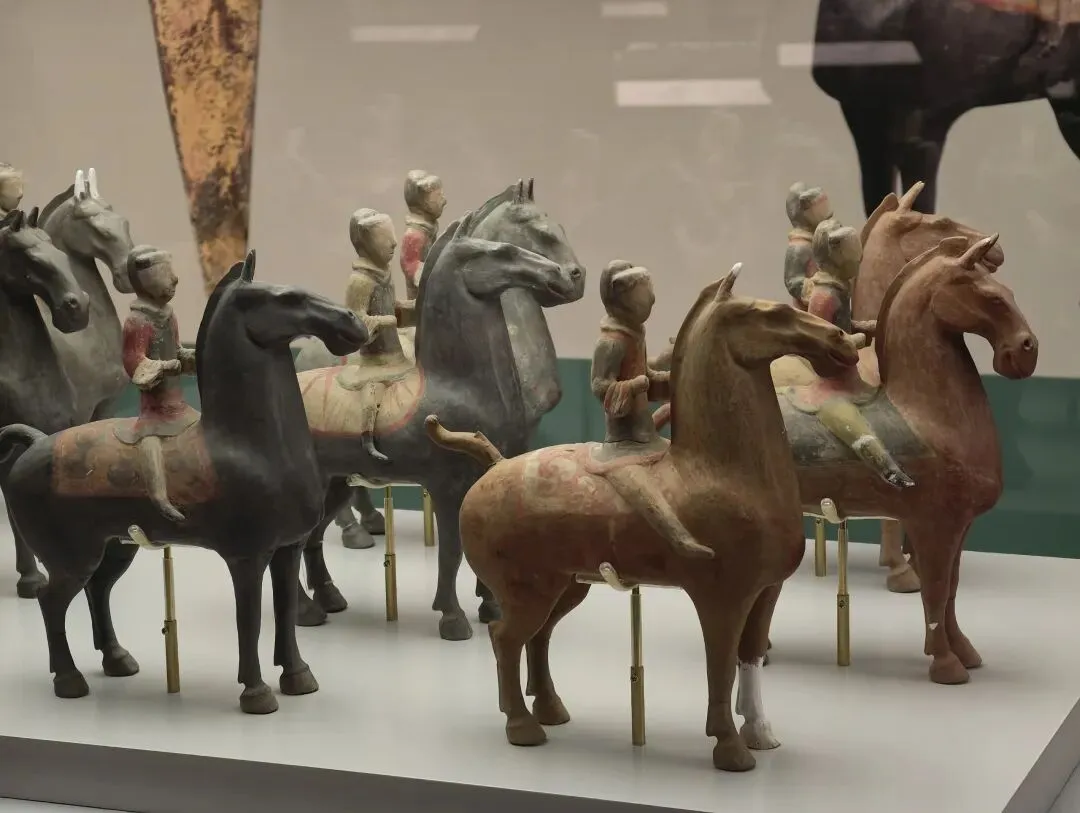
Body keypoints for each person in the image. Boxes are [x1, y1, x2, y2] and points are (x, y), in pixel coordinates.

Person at [590, 260, 713, 559]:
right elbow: (599, 386)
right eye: (645, 293)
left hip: (645, 433)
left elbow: (648, 378)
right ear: (622, 296)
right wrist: (633, 386)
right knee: (641, 490)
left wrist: (677, 379)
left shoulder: (635, 333)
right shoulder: (611, 342)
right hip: (622, 442)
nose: (653, 299)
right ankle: (678, 538)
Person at [796, 219, 915, 489]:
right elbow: (820, 343)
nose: (858, 263)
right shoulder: (824, 297)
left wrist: (864, 326)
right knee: (854, 426)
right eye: (854, 259)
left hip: (850, 375)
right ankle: (888, 470)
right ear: (838, 258)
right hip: (830, 384)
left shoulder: (837, 288)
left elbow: (840, 326)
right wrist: (856, 340)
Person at [115, 246, 198, 522]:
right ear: (145, 280)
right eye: (165, 273)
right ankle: (159, 498)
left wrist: (192, 358)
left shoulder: (168, 316)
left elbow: (176, 350)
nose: (174, 279)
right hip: (154, 413)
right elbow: (135, 364)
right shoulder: (137, 321)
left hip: (180, 407)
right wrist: (166, 366)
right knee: (151, 445)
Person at [343, 208, 413, 462]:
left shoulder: (384, 273)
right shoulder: (360, 281)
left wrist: (415, 308)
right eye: (385, 238)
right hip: (375, 360)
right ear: (366, 244)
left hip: (396, 352)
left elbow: (392, 306)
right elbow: (355, 321)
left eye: (392, 236)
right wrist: (387, 321)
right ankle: (368, 438)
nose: (394, 242)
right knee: (372, 394)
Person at [783, 182, 833, 310]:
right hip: (811, 308)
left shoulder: (819, 237)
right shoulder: (799, 248)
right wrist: (815, 292)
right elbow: (792, 281)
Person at [399, 170, 446, 299]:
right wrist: (435, 280)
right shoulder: (414, 235)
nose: (444, 201)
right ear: (423, 203)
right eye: (438, 196)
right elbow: (410, 265)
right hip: (421, 298)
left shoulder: (428, 228)